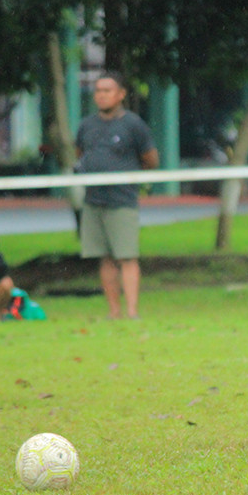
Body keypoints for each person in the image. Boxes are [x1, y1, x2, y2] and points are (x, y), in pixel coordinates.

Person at [76, 72, 159, 319]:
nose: (101, 95)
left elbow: (151, 159)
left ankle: (132, 312)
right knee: (105, 258)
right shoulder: (86, 125)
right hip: (93, 201)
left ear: (121, 94)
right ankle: (114, 313)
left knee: (127, 257)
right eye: (98, 90)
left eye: (107, 90)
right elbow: (79, 153)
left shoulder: (133, 125)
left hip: (122, 201)